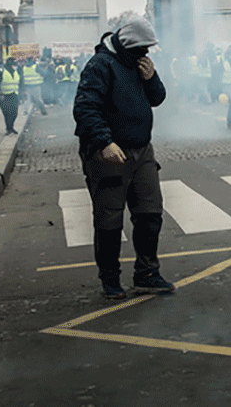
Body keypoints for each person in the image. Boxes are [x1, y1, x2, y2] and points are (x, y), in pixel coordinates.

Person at [73, 18, 175, 300]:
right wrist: (104, 142)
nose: (147, 54)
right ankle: (110, 278)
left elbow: (157, 98)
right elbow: (85, 108)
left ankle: (147, 273)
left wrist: (152, 78)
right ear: (129, 45)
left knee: (150, 213)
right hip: (108, 153)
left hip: (142, 150)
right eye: (143, 48)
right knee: (109, 220)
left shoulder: (139, 64)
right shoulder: (100, 65)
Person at [0, 58, 21, 135]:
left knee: (14, 112)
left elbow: (20, 82)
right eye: (14, 65)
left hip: (14, 94)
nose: (15, 67)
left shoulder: (17, 71)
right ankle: (9, 128)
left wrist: (22, 92)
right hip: (4, 96)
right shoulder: (1, 72)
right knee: (7, 113)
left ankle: (11, 127)